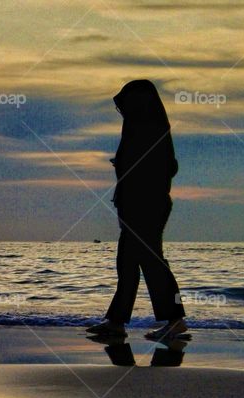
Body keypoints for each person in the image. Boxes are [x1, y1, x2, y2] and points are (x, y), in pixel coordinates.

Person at [87, 80, 187, 342]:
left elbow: (163, 167)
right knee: (129, 262)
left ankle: (174, 320)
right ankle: (117, 321)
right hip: (136, 204)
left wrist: (129, 168)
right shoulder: (146, 127)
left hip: (146, 206)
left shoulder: (149, 128)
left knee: (150, 261)